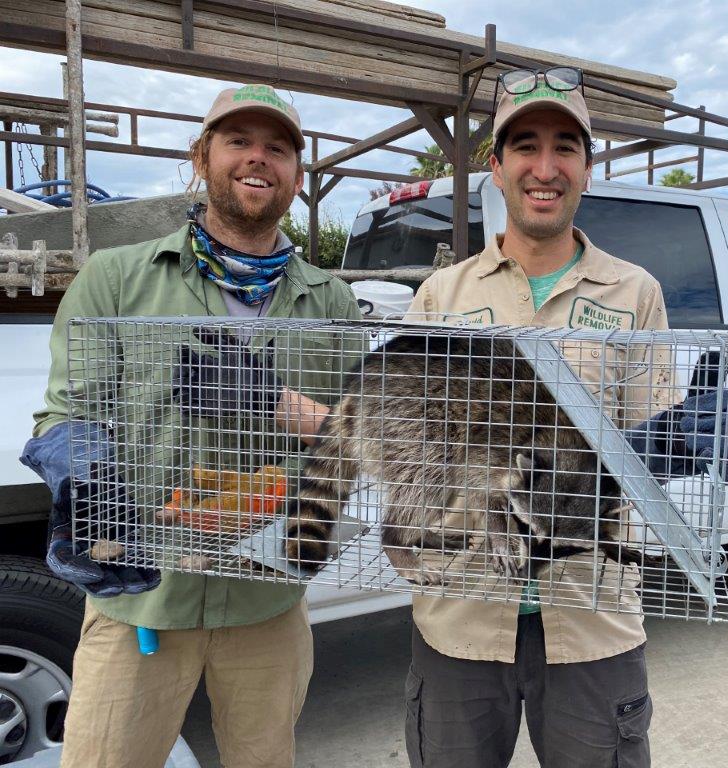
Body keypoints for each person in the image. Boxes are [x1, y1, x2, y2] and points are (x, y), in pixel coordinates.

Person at [20, 84, 360, 768]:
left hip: (268, 600)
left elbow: (359, 444)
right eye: (238, 141)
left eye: (278, 148)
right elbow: (65, 409)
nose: (257, 159)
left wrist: (279, 405)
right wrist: (78, 467)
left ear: (297, 173)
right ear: (200, 157)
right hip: (141, 602)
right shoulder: (116, 280)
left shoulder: (331, 299)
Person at [402, 67, 673, 768]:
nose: (544, 168)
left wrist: (694, 436)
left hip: (591, 622)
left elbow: (654, 453)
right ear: (496, 166)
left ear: (588, 165)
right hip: (458, 622)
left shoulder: (635, 293)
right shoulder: (441, 296)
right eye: (524, 146)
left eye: (564, 147)